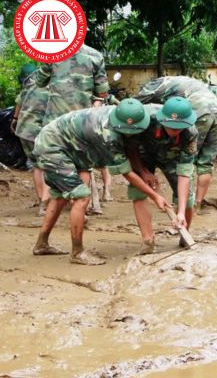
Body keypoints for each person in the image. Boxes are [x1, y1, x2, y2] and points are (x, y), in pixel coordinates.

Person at [31, 99, 169, 265]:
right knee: (82, 197)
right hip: (53, 147)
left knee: (61, 196)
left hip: (70, 145)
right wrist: (155, 197)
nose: (130, 133)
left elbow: (130, 145)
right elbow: (125, 172)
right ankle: (77, 252)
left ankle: (41, 244)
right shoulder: (108, 133)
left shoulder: (132, 115)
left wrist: (144, 171)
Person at [135, 75, 217, 213]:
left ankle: (183, 204)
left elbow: (134, 105)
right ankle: (196, 205)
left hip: (196, 113)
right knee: (206, 163)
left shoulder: (155, 85)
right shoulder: (194, 83)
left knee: (182, 160)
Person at [36, 43, 114, 204]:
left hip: (55, 119)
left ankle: (48, 201)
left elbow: (40, 82)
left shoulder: (52, 52)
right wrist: (94, 110)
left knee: (50, 159)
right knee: (83, 163)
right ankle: (80, 203)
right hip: (81, 119)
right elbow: (102, 92)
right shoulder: (95, 55)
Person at [126, 97, 198, 254]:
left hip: (173, 156)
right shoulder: (146, 119)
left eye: (179, 128)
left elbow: (185, 174)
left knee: (187, 197)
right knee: (139, 191)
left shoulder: (190, 133)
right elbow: (130, 148)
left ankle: (184, 234)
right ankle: (148, 241)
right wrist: (143, 171)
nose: (175, 131)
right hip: (144, 155)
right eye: (171, 127)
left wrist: (180, 211)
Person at [10, 64, 51, 215]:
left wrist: (14, 120)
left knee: (36, 166)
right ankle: (45, 205)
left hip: (24, 131)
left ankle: (41, 200)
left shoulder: (27, 87)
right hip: (42, 132)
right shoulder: (51, 85)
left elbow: (18, 105)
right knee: (47, 166)